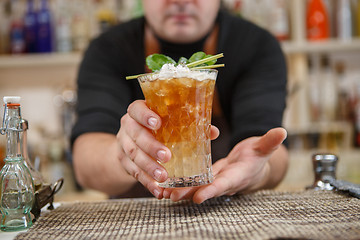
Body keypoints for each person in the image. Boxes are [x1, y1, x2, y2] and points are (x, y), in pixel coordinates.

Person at [71, 0, 289, 204]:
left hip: (229, 212)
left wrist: (260, 169)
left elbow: (272, 150)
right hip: (134, 221)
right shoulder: (108, 49)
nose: (182, 1)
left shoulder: (256, 45)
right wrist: (124, 156)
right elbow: (85, 161)